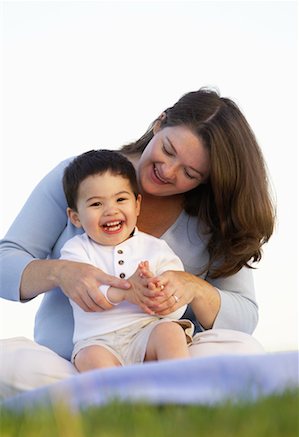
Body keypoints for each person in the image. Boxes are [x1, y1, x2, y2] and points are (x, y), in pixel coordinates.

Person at [0, 87, 275, 398]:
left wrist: (194, 288)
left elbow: (244, 317)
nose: (168, 171)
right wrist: (61, 273)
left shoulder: (212, 217)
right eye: (169, 150)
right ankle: (151, 398)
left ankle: (138, 396)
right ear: (159, 123)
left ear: (208, 179)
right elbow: (5, 261)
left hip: (163, 356)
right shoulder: (81, 177)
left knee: (245, 352)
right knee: (7, 364)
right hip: (73, 364)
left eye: (190, 172)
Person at [61, 149, 193, 371]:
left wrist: (156, 294)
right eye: (96, 204)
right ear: (75, 217)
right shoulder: (76, 250)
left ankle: (181, 393)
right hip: (98, 340)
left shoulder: (156, 249)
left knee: (170, 332)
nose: (111, 210)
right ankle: (125, 401)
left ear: (137, 205)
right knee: (88, 358)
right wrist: (127, 291)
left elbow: (176, 305)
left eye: (121, 199)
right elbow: (86, 293)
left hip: (146, 330)